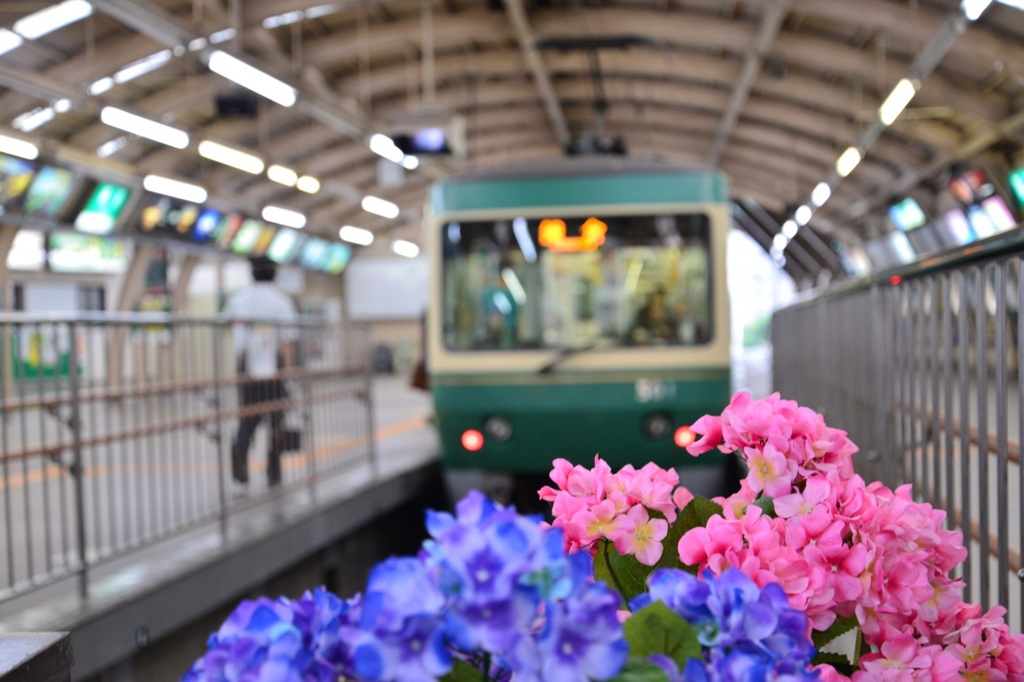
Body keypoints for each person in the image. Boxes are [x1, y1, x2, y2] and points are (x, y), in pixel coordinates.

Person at [224, 256, 299, 490]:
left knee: (247, 418)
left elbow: (224, 324)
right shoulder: (281, 300)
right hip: (272, 366)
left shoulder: (238, 298)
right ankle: (273, 472)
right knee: (276, 419)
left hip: (246, 365)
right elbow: (288, 340)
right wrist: (287, 374)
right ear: (274, 274)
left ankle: (240, 465)